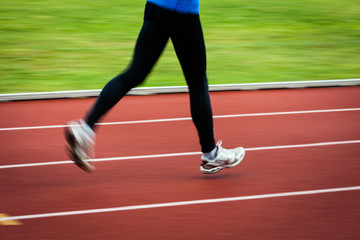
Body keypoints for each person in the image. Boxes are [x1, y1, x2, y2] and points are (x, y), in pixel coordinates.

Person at [64, 0, 245, 174]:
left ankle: (85, 129)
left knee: (135, 73)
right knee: (197, 82)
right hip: (181, 9)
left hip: (155, 6)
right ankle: (211, 153)